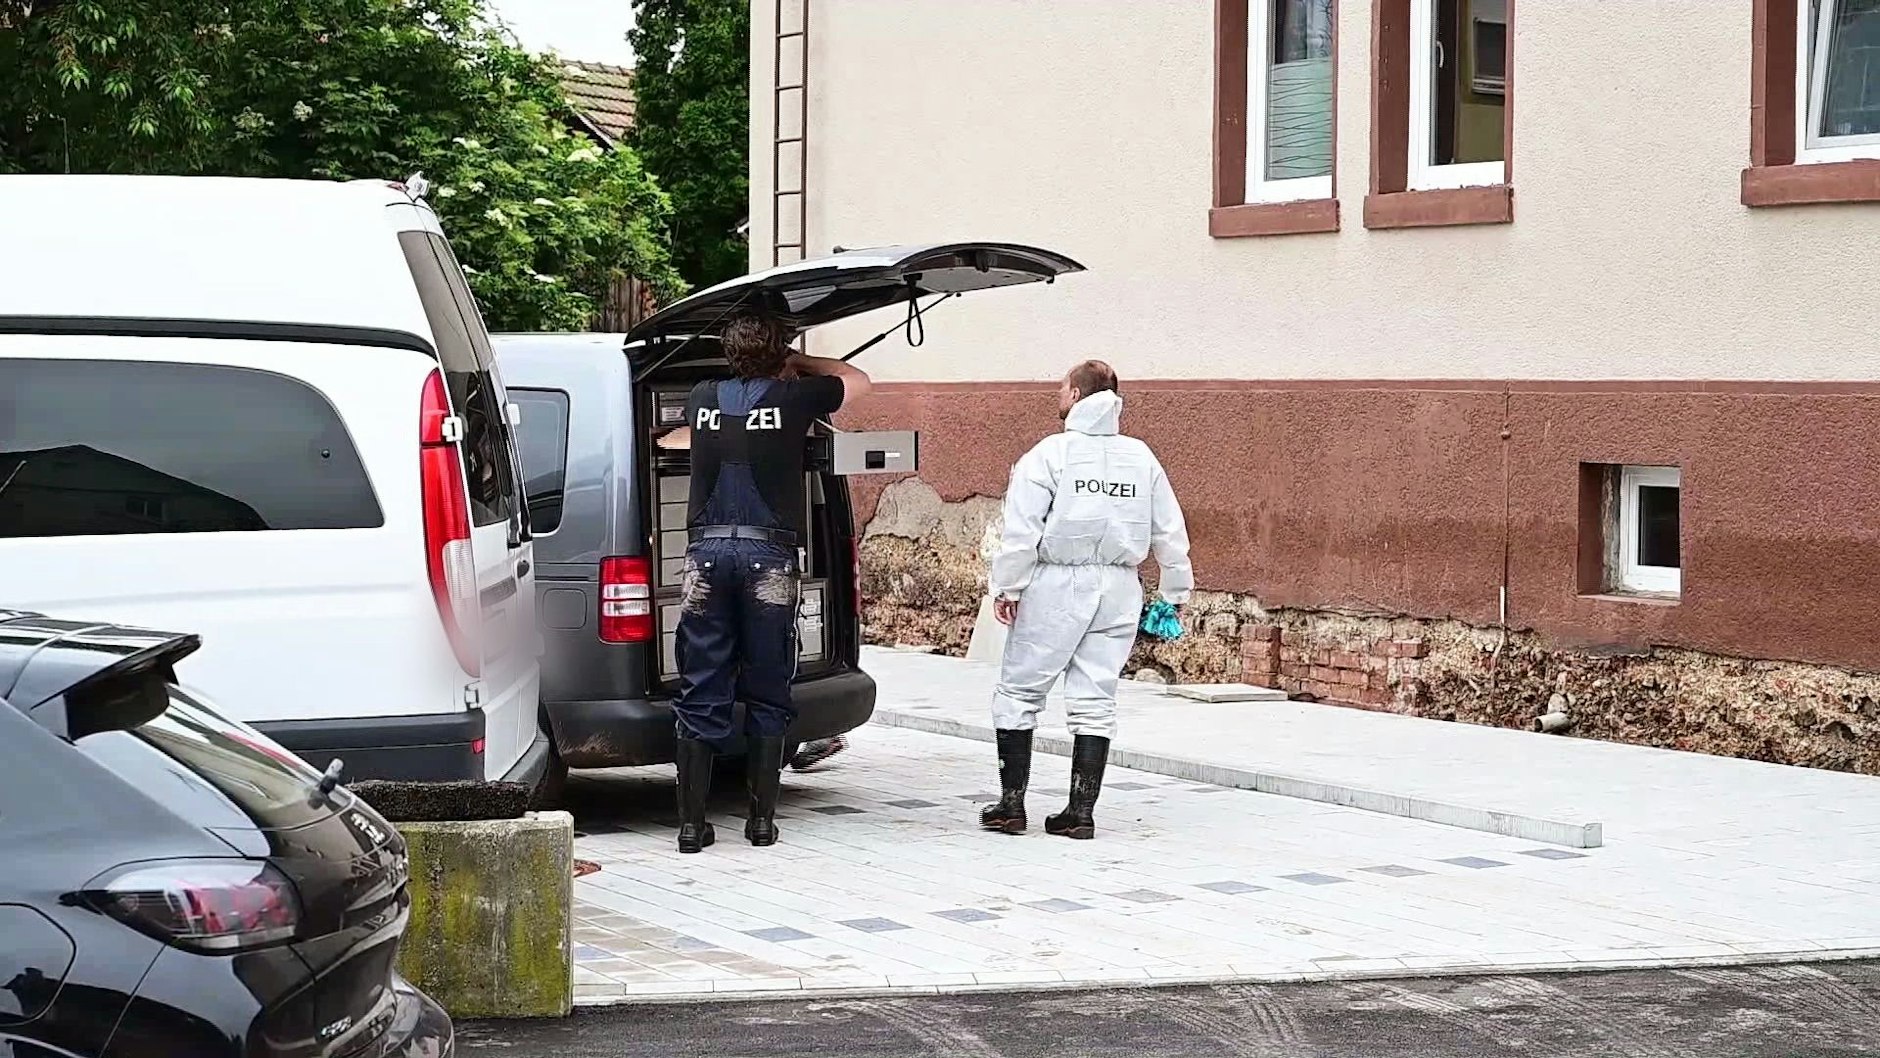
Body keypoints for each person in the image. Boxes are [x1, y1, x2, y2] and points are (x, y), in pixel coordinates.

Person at [669, 311, 871, 853]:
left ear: (728, 353)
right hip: (769, 559)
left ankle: (692, 828)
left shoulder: (702, 397)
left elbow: (680, 441)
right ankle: (761, 823)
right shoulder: (794, 400)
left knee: (701, 681)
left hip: (706, 556)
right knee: (768, 681)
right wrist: (797, 363)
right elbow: (858, 381)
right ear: (779, 354)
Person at [978, 360, 1192, 840]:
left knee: (1019, 690)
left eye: (1061, 389)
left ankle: (1011, 807)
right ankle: (1080, 812)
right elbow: (1170, 531)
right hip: (1119, 586)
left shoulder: (1049, 455)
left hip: (1056, 584)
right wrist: (1175, 593)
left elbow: (1021, 531)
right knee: (1097, 695)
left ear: (1075, 395)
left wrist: (1008, 586)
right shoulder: (1141, 458)